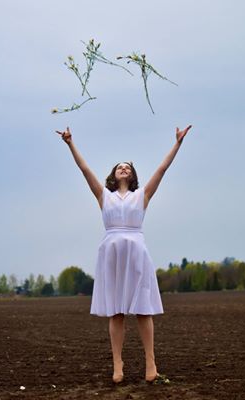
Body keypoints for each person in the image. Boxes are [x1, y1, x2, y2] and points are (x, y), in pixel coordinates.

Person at [55, 125, 192, 383]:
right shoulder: (103, 196)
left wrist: (177, 144)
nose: (123, 168)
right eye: (119, 166)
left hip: (137, 252)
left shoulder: (142, 195)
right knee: (116, 311)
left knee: (143, 309)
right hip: (112, 254)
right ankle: (118, 365)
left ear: (133, 175)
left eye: (127, 167)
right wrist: (70, 144)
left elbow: (162, 169)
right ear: (112, 175)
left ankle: (151, 364)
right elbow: (84, 170)